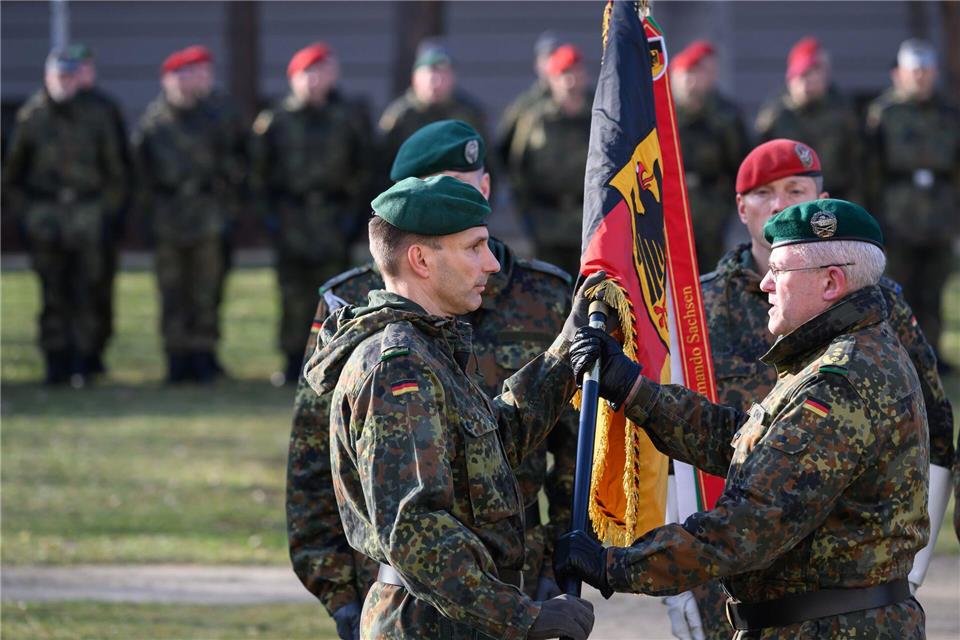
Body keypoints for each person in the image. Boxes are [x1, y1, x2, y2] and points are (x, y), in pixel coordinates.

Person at [557, 199, 929, 638]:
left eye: (781, 270)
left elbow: (750, 525)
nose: (766, 283)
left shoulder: (840, 382)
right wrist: (636, 392)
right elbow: (750, 447)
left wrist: (613, 564)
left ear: (832, 282)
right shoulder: (843, 354)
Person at [286, 120, 579, 639]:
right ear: (420, 259)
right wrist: (524, 618)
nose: (491, 263)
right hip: (432, 620)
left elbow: (494, 442)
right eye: (474, 248)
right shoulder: (397, 367)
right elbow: (415, 528)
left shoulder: (430, 347)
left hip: (464, 611)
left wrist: (565, 357)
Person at [664, 138, 955, 640]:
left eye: (796, 189)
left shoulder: (873, 303)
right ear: (741, 206)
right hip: (719, 563)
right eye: (764, 193)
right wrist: (677, 584)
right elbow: (676, 453)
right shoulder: (697, 307)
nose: (780, 204)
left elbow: (934, 426)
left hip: (835, 582)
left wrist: (916, 558)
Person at [2, 48, 129, 385]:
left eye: (71, 77)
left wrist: (105, 212)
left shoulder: (96, 115)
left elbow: (115, 171)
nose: (65, 84)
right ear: (48, 77)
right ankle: (55, 361)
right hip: (46, 217)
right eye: (59, 77)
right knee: (52, 292)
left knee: (88, 290)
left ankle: (85, 361)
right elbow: (13, 174)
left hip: (88, 214)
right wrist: (28, 215)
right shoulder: (32, 116)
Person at [249, 42, 372, 385]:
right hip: (292, 217)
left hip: (332, 217)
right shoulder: (276, 120)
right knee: (292, 292)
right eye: (308, 74)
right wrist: (268, 218)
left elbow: (363, 170)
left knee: (336, 293)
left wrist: (354, 216)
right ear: (294, 78)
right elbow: (257, 175)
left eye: (322, 73)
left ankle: (333, 357)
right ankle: (292, 360)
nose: (315, 81)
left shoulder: (346, 118)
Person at [133, 46, 242, 383]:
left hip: (207, 216)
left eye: (192, 77)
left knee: (206, 290)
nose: (187, 85)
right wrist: (144, 218)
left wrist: (228, 209)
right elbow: (140, 176)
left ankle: (204, 355)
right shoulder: (153, 124)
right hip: (168, 218)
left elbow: (236, 164)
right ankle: (176, 357)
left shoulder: (212, 118)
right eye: (180, 78)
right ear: (167, 81)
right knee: (172, 291)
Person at [866, 38, 959, 371]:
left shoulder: (949, 114)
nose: (920, 77)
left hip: (939, 213)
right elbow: (871, 170)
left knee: (934, 289)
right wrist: (874, 219)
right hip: (898, 214)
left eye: (926, 71)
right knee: (897, 290)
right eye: (914, 71)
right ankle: (897, 353)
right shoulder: (884, 114)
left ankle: (931, 354)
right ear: (900, 74)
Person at [68, 43, 134, 376]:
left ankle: (93, 354)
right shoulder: (41, 112)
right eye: (70, 69)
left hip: (97, 218)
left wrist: (113, 212)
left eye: (84, 68)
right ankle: (63, 358)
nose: (78, 75)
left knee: (96, 288)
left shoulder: (106, 110)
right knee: (61, 291)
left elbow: (120, 168)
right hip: (54, 221)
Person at [508, 44, 592, 277]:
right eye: (564, 74)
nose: (571, 81)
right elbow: (517, 168)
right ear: (552, 79)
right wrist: (526, 213)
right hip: (547, 223)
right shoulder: (535, 119)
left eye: (576, 72)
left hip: (590, 223)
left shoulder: (600, 116)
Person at [671, 40, 748, 273]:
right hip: (670, 210)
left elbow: (740, 165)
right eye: (686, 74)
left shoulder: (725, 115)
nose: (691, 82)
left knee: (711, 277)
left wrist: (728, 206)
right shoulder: (662, 112)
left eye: (698, 73)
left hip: (711, 213)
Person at [755, 37, 863, 203]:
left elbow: (860, 162)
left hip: (835, 199)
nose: (808, 82)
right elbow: (760, 166)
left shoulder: (843, 111)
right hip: (790, 202)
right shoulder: (775, 115)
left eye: (815, 72)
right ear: (790, 78)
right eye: (802, 75)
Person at [378, 40, 487, 179]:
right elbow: (381, 165)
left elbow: (486, 161)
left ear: (453, 77)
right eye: (430, 74)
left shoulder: (469, 113)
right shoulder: (400, 116)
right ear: (415, 78)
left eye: (443, 74)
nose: (436, 81)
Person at [495, 31, 561, 169]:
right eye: (547, 58)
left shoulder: (583, 101)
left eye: (557, 57)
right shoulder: (524, 104)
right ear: (537, 64)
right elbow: (504, 147)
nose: (552, 63)